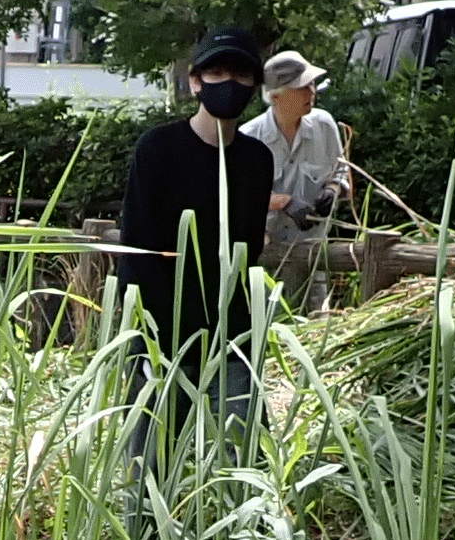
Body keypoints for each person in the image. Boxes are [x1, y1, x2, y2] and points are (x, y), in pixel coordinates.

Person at [112, 28, 279, 447]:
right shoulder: (157, 149)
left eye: (241, 75)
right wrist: (144, 342)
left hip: (232, 337)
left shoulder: (257, 160)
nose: (229, 84)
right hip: (163, 336)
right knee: (151, 463)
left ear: (255, 86)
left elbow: (248, 253)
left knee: (242, 459)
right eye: (217, 73)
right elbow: (136, 251)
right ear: (195, 81)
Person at [252, 49, 347, 299]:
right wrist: (283, 202)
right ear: (275, 96)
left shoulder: (324, 126)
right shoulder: (249, 139)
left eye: (312, 84)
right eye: (302, 87)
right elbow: (235, 198)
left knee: (318, 318)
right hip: (265, 262)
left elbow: (341, 171)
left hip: (313, 256)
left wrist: (333, 190)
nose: (311, 92)